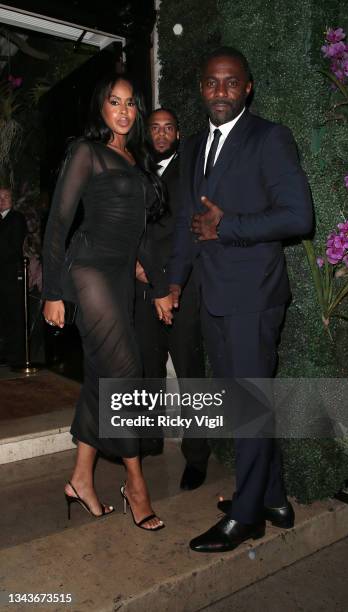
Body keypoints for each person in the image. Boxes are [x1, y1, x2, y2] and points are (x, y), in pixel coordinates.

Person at [168, 47, 313, 552]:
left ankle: (248, 517)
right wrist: (174, 282)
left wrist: (229, 226)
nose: (221, 92)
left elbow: (299, 217)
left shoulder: (270, 138)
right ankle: (272, 497)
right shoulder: (193, 148)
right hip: (212, 296)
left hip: (254, 296)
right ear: (202, 89)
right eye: (212, 83)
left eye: (232, 83)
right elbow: (190, 224)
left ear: (247, 88)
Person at [42, 73, 173, 531]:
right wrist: (53, 291)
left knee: (102, 377)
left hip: (120, 278)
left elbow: (136, 233)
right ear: (102, 108)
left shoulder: (136, 160)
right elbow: (58, 223)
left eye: (130, 103)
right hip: (88, 269)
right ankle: (136, 484)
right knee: (125, 372)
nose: (122, 110)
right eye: (114, 102)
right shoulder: (87, 152)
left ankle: (81, 479)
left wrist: (154, 283)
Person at [134, 108, 210, 490]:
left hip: (182, 287)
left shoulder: (191, 170)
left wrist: (162, 274)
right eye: (155, 128)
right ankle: (148, 442)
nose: (162, 134)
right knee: (148, 366)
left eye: (168, 128)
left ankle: (197, 458)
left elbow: (190, 232)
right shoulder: (136, 168)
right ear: (147, 133)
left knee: (190, 372)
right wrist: (136, 263)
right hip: (143, 286)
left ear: (178, 134)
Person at [0, 184, 26, 366]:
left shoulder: (16, 219)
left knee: (13, 314)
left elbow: (13, 248)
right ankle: (4, 353)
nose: (1, 201)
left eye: (5, 197)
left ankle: (16, 356)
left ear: (12, 200)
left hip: (10, 276)